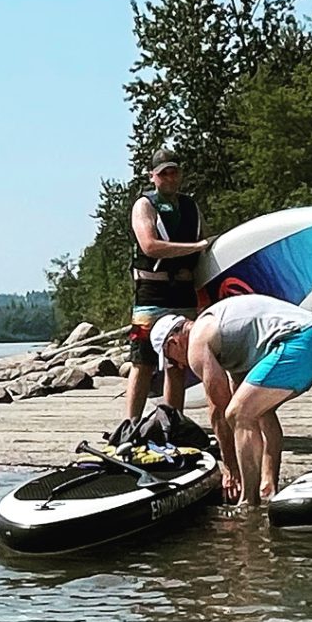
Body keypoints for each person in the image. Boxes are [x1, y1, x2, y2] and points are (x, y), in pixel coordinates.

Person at [150, 293, 312, 507]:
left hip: (304, 339)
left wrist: (230, 468)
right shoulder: (227, 338)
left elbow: (220, 409)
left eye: (171, 359)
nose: (180, 366)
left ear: (174, 343)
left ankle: (249, 503)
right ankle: (268, 485)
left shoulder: (196, 342)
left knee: (239, 413)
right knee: (257, 410)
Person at [124, 151, 211, 423]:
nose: (170, 178)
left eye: (174, 172)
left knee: (178, 362)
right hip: (152, 295)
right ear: (152, 176)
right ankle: (132, 424)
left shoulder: (190, 207)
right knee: (143, 362)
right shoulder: (144, 205)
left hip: (184, 293)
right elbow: (149, 245)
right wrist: (195, 247)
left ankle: (173, 423)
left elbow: (208, 244)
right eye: (163, 173)